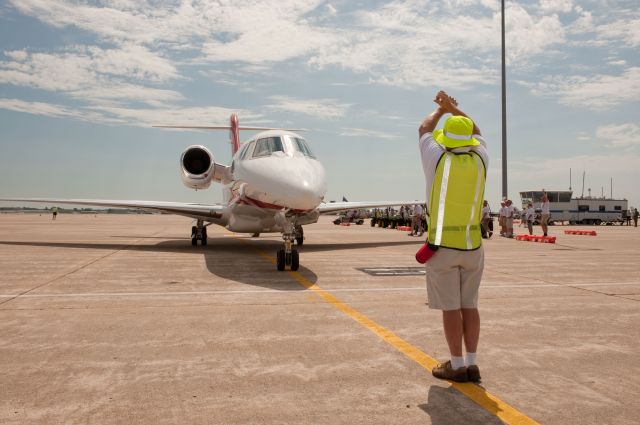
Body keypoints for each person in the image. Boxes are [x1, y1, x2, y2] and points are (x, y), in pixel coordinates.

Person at [419, 90, 488, 383]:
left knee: (450, 309)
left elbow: (424, 129)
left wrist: (440, 110)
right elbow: (477, 130)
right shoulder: (481, 157)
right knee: (469, 306)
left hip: (442, 246)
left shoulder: (436, 158)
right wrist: (455, 108)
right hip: (473, 245)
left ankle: (456, 365)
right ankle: (472, 363)